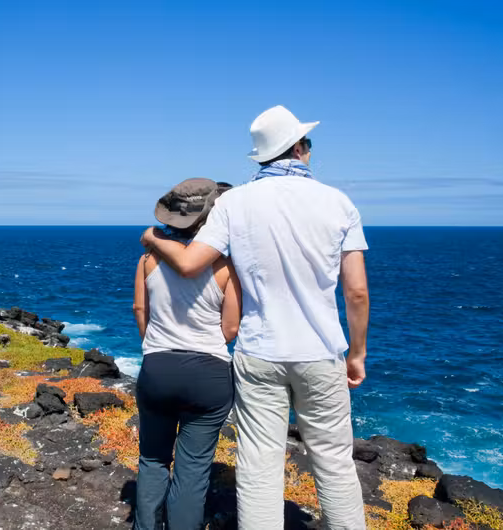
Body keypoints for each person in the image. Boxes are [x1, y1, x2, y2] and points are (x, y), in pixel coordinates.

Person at [140, 105, 370, 529]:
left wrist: (152, 237)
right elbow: (356, 291)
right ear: (298, 148)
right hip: (321, 352)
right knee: (335, 463)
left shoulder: (235, 202)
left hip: (259, 352)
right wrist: (357, 353)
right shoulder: (339, 203)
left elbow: (189, 264)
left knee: (259, 465)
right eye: (308, 143)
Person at [132, 178, 241, 530]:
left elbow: (140, 310)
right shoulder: (226, 265)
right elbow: (230, 329)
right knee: (193, 469)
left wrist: (156, 347)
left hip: (158, 366)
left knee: (152, 459)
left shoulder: (148, 259)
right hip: (208, 374)